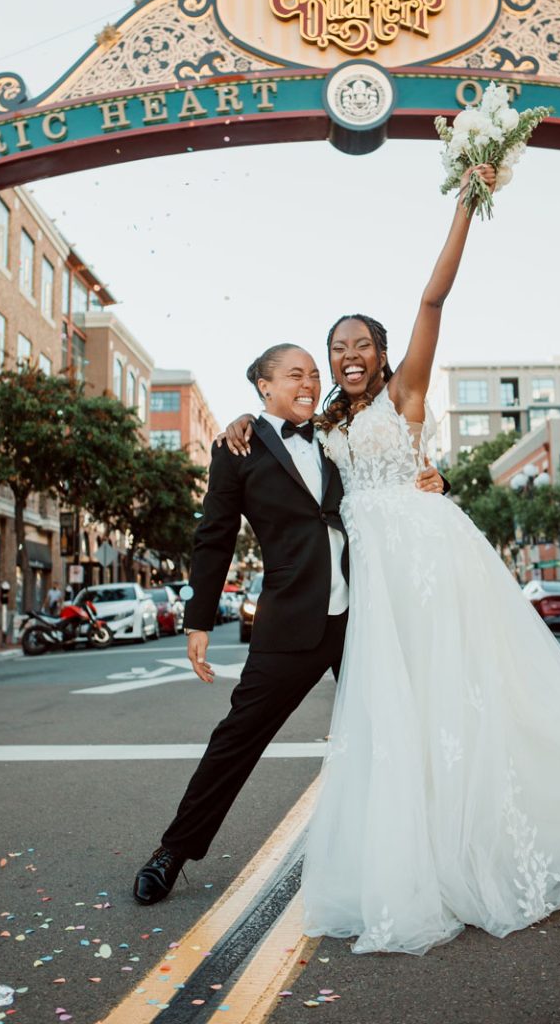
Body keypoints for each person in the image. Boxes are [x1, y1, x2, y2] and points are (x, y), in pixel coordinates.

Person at [223, 165, 560, 954]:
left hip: (426, 560)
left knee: (462, 702)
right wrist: (240, 421)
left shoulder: (405, 396)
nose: (347, 355)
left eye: (360, 345)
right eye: (335, 348)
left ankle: (487, 838)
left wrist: (465, 205)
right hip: (372, 583)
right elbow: (281, 432)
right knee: (399, 717)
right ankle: (418, 848)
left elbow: (432, 299)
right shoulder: (320, 427)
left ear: (384, 356)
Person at [132, 343, 444, 905]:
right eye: (295, 375)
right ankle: (171, 852)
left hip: (364, 616)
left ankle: (429, 849)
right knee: (237, 739)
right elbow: (215, 535)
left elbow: (389, 478)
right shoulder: (238, 447)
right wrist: (197, 619)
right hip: (289, 622)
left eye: (314, 375)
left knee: (398, 726)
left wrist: (433, 481)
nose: (309, 383)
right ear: (263, 385)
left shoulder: (335, 433)